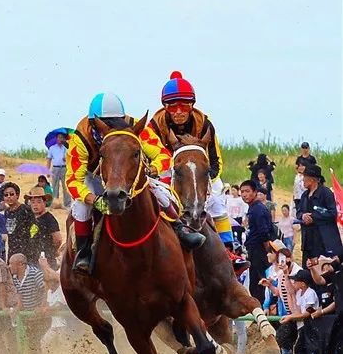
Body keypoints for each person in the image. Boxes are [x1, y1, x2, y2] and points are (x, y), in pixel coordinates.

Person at [66, 92, 204, 274]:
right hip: (94, 176)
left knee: (159, 190)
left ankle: (180, 229)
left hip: (129, 175)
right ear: (93, 123)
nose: (111, 127)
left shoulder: (135, 127)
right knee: (81, 207)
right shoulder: (80, 138)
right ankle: (84, 253)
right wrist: (93, 199)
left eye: (115, 122)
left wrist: (152, 169)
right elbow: (73, 180)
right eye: (104, 124)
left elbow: (162, 155)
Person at [146, 71, 233, 249]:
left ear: (192, 105)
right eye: (172, 107)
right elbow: (151, 158)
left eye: (184, 106)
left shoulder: (205, 124)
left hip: (200, 172)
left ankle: (231, 248)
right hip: (166, 170)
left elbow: (215, 160)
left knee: (217, 199)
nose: (178, 112)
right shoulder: (153, 126)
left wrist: (206, 178)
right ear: (165, 107)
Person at [8, 253, 51, 354]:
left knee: (36, 341)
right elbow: (20, 294)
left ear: (20, 264)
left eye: (11, 264)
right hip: (29, 317)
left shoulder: (34, 274)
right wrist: (18, 308)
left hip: (41, 317)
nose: (9, 266)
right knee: (31, 342)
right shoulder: (15, 277)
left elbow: (46, 288)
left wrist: (42, 306)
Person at [279, 269, 321, 354]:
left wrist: (290, 317)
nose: (294, 283)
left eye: (296, 281)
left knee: (305, 348)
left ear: (302, 283)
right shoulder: (300, 293)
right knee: (302, 348)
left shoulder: (310, 293)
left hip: (311, 325)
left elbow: (307, 314)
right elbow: (299, 311)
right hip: (304, 325)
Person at [297, 164, 343, 263]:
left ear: (312, 179)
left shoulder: (326, 193)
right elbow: (299, 212)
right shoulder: (304, 195)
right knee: (307, 270)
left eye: (304, 177)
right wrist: (303, 216)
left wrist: (313, 217)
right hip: (307, 241)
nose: (303, 180)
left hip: (323, 241)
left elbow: (332, 213)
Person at [240, 179, 275, 303]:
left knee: (260, 282)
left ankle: (264, 309)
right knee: (254, 282)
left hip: (259, 250)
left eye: (247, 191)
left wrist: (268, 252)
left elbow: (264, 232)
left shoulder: (258, 209)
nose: (244, 194)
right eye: (242, 192)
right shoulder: (252, 208)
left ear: (255, 192)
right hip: (253, 250)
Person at [25, 186, 63, 269]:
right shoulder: (30, 218)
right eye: (32, 202)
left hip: (46, 261)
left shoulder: (49, 219)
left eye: (38, 202)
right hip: (32, 260)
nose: (35, 205)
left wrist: (50, 251)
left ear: (45, 202)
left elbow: (58, 240)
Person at [2, 181, 36, 261]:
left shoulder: (26, 210)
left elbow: (34, 229)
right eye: (6, 195)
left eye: (11, 194)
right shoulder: (7, 212)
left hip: (26, 251)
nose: (9, 197)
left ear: (17, 195)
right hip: (12, 250)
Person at [47, 130, 71, 208]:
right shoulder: (52, 148)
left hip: (64, 168)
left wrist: (66, 159)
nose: (60, 139)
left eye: (62, 137)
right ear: (56, 138)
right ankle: (55, 203)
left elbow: (71, 159)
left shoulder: (67, 148)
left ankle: (67, 204)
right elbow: (49, 159)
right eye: (59, 137)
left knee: (66, 186)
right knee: (54, 186)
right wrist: (47, 170)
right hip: (55, 168)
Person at [226, 185, 248, 251]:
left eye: (234, 190)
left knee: (239, 234)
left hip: (238, 218)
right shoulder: (229, 199)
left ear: (237, 191)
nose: (232, 192)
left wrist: (244, 219)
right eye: (231, 190)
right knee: (231, 233)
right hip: (231, 218)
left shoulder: (241, 200)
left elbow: (244, 209)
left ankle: (240, 247)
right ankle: (232, 247)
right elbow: (228, 208)